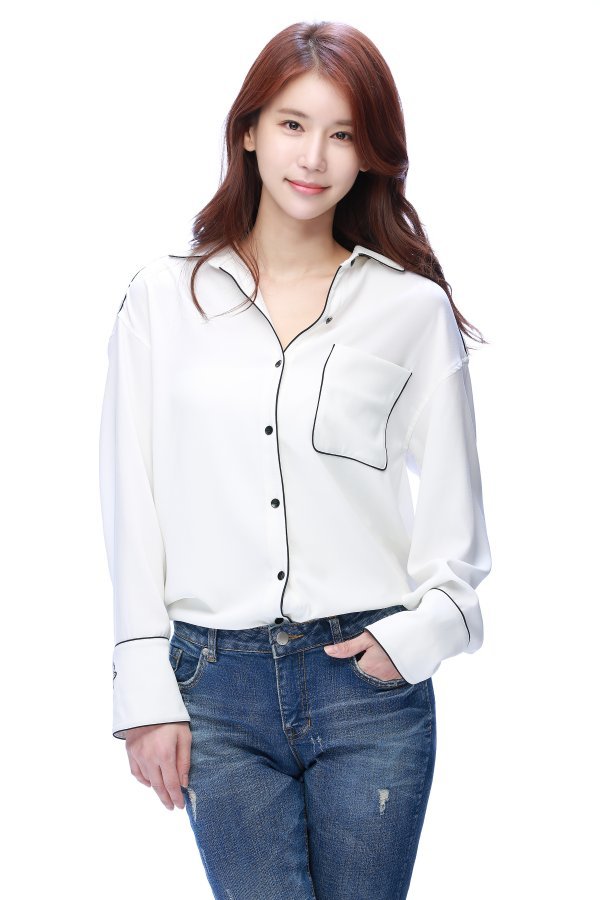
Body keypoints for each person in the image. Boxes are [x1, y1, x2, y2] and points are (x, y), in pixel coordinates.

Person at [99, 19, 492, 900]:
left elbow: (456, 528)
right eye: (291, 124)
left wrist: (414, 640)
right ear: (248, 130)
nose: (313, 156)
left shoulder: (411, 312)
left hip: (366, 683)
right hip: (214, 685)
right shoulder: (162, 301)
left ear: (369, 156)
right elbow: (131, 501)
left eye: (343, 134)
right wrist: (143, 691)